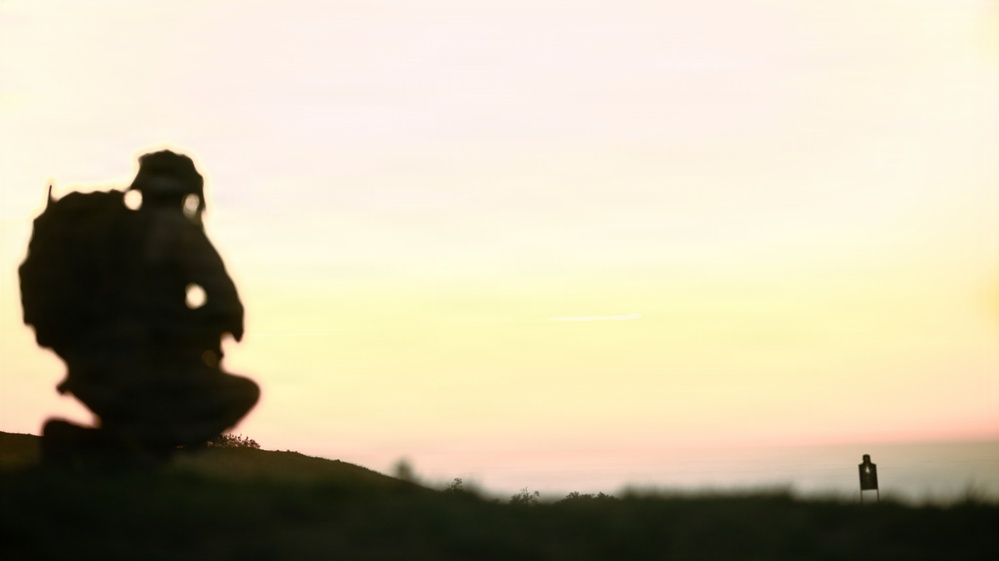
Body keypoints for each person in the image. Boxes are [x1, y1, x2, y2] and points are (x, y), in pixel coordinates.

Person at [20, 150, 259, 466]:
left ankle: (92, 448)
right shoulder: (177, 230)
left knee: (135, 430)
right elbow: (229, 309)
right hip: (149, 369)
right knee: (241, 393)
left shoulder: (108, 230)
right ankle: (136, 455)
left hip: (88, 371)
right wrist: (194, 336)